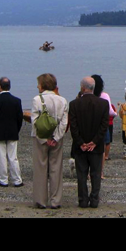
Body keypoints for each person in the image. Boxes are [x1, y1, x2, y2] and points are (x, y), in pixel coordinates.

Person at [69, 77, 109, 208]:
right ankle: (94, 199)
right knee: (96, 174)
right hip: (96, 146)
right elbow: (104, 126)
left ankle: (83, 200)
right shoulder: (103, 104)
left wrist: (81, 142)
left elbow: (73, 127)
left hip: (80, 146)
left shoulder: (74, 104)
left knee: (81, 175)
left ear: (82, 88)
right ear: (93, 88)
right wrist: (95, 142)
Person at [31, 73, 68, 209]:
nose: (37, 86)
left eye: (38, 84)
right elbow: (64, 123)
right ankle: (55, 200)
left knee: (40, 168)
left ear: (42, 85)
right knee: (56, 168)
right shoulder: (62, 100)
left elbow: (35, 122)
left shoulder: (37, 100)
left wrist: (44, 139)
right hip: (56, 139)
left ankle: (41, 200)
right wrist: (55, 137)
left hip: (40, 139)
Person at [91, 74, 117, 178]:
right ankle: (100, 172)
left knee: (89, 149)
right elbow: (110, 112)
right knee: (101, 149)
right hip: (102, 124)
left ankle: (89, 173)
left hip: (89, 124)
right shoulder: (104, 95)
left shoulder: (85, 96)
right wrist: (115, 113)